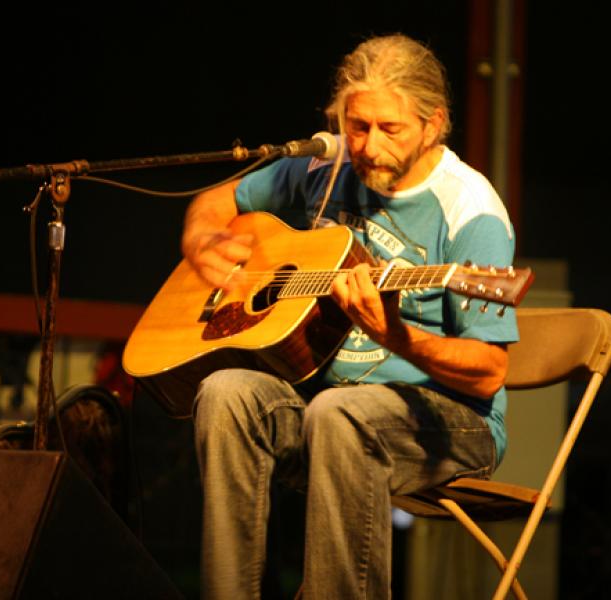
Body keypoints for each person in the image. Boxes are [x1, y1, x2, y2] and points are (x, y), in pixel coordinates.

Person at [181, 33, 518, 599]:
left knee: (341, 415)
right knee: (226, 394)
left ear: (433, 125)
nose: (368, 146)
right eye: (357, 126)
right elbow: (218, 201)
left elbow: (488, 372)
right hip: (324, 407)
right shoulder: (327, 166)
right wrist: (200, 236)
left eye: (390, 129)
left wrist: (396, 337)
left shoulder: (471, 210)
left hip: (448, 423)